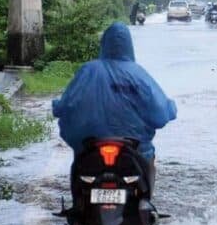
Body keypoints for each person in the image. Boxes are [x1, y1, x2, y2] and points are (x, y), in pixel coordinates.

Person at [52, 22, 177, 192]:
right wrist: (171, 108)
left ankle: (79, 203)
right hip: (133, 149)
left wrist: (57, 106)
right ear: (129, 46)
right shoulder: (138, 74)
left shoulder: (88, 71)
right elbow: (160, 114)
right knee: (148, 161)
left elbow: (66, 105)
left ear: (104, 44)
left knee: (81, 167)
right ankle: (145, 198)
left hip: (90, 147)